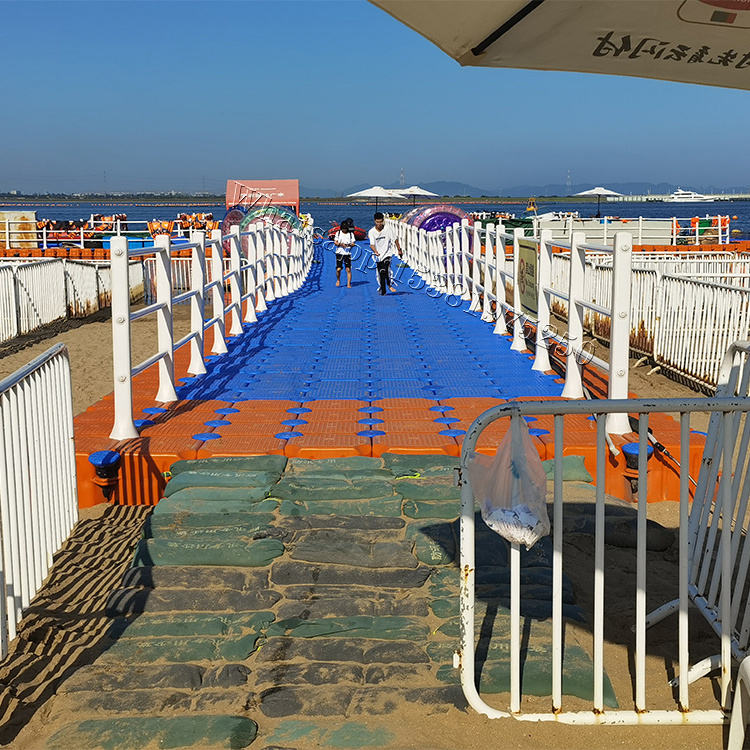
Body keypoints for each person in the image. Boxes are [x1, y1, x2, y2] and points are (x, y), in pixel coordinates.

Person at [368, 212, 402, 295]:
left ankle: (389, 285)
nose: (379, 224)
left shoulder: (388, 229)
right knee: (381, 272)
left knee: (386, 267)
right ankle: (383, 289)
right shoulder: (371, 231)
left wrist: (399, 249)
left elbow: (395, 239)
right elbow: (371, 245)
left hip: (387, 253)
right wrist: (375, 251)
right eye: (377, 222)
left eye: (380, 222)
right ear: (374, 221)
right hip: (378, 255)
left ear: (383, 221)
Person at [333, 218, 355, 288]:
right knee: (338, 269)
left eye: (345, 229)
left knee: (348, 269)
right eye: (343, 229)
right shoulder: (338, 233)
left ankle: (348, 283)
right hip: (339, 252)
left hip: (347, 253)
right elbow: (335, 242)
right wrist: (340, 244)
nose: (344, 230)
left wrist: (350, 244)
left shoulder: (351, 234)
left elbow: (353, 243)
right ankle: (338, 279)